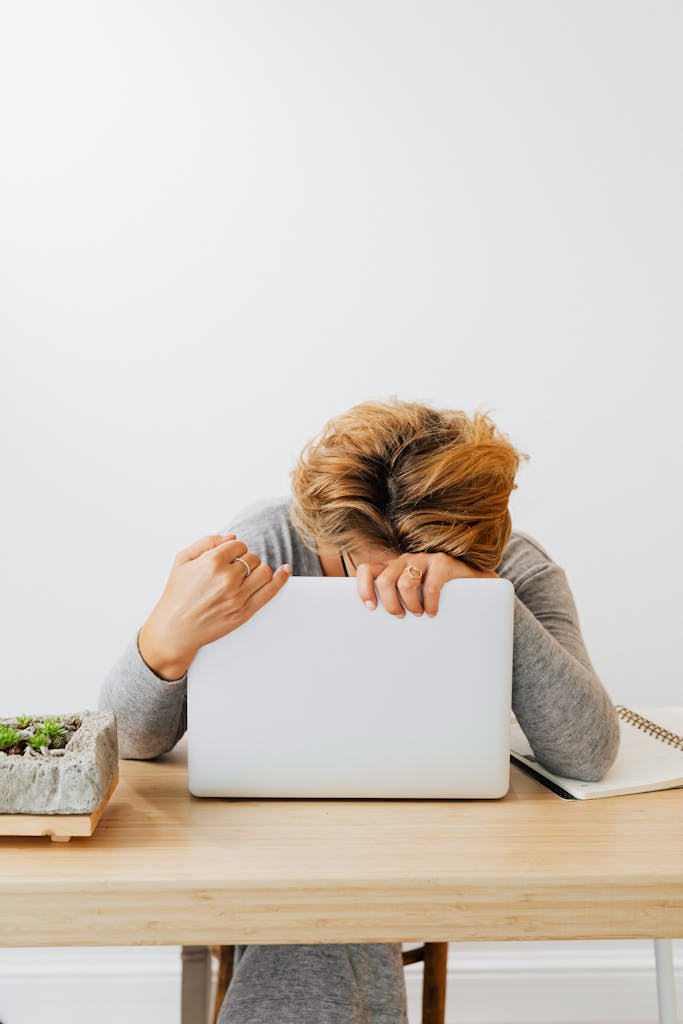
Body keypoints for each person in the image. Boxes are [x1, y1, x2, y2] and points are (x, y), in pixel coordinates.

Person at [99, 398, 620, 1024]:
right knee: (322, 888)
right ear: (328, 536)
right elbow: (132, 742)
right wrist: (164, 638)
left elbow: (587, 753)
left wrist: (492, 601)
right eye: (372, 570)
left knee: (326, 895)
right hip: (275, 835)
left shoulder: (511, 565)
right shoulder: (266, 547)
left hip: (443, 836)